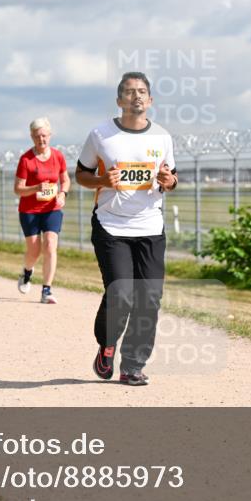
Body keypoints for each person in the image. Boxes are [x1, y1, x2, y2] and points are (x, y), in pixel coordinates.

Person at [75, 72, 178, 386]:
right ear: (119, 101)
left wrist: (169, 182)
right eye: (130, 92)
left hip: (149, 226)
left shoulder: (162, 137)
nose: (136, 97)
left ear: (150, 100)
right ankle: (107, 345)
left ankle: (133, 365)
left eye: (142, 91)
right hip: (111, 225)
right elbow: (80, 175)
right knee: (121, 293)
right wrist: (103, 181)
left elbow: (171, 177)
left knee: (149, 298)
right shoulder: (101, 135)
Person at [14, 117, 70, 304]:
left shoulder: (58, 156)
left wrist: (63, 194)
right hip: (29, 210)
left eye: (44, 136)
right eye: (37, 136)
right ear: (32, 137)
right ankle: (27, 272)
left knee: (50, 245)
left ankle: (46, 290)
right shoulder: (26, 159)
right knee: (34, 250)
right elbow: (18, 189)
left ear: (50, 135)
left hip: (51, 207)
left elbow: (66, 180)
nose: (41, 140)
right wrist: (36, 188)